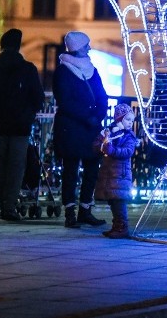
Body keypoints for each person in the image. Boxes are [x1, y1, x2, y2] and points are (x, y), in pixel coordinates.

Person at [0, 28, 45, 221]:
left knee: (1, 164)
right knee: (16, 166)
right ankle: (9, 206)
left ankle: (1, 203)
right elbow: (38, 98)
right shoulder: (28, 69)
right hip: (21, 126)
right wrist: (29, 113)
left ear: (2, 46)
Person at [52, 31, 109, 228]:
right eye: (86, 45)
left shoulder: (91, 69)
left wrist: (98, 115)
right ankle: (70, 212)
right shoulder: (63, 71)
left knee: (92, 169)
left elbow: (102, 96)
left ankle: (85, 210)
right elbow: (65, 101)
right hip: (72, 128)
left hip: (89, 127)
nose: (89, 48)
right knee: (71, 170)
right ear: (78, 48)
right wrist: (88, 117)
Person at [92, 103, 138, 239]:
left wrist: (112, 150)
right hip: (109, 172)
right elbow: (96, 144)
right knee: (113, 200)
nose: (130, 123)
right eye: (127, 119)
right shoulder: (109, 132)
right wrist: (102, 146)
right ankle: (117, 225)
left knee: (119, 201)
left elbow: (128, 151)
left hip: (120, 174)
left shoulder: (128, 136)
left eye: (132, 120)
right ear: (119, 119)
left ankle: (122, 226)